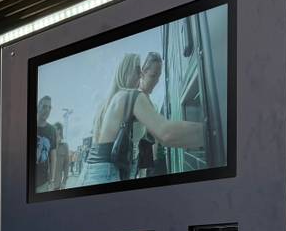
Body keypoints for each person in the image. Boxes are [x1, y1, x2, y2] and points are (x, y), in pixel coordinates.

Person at [83, 53, 205, 186]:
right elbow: (166, 133)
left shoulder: (109, 102)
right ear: (126, 72)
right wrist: (211, 129)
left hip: (91, 173)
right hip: (109, 174)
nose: (141, 75)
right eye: (138, 70)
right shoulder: (131, 96)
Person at [33, 95, 56, 191]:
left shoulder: (52, 130)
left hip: (43, 182)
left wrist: (52, 179)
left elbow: (53, 157)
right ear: (38, 107)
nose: (47, 110)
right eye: (44, 106)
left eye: (49, 108)